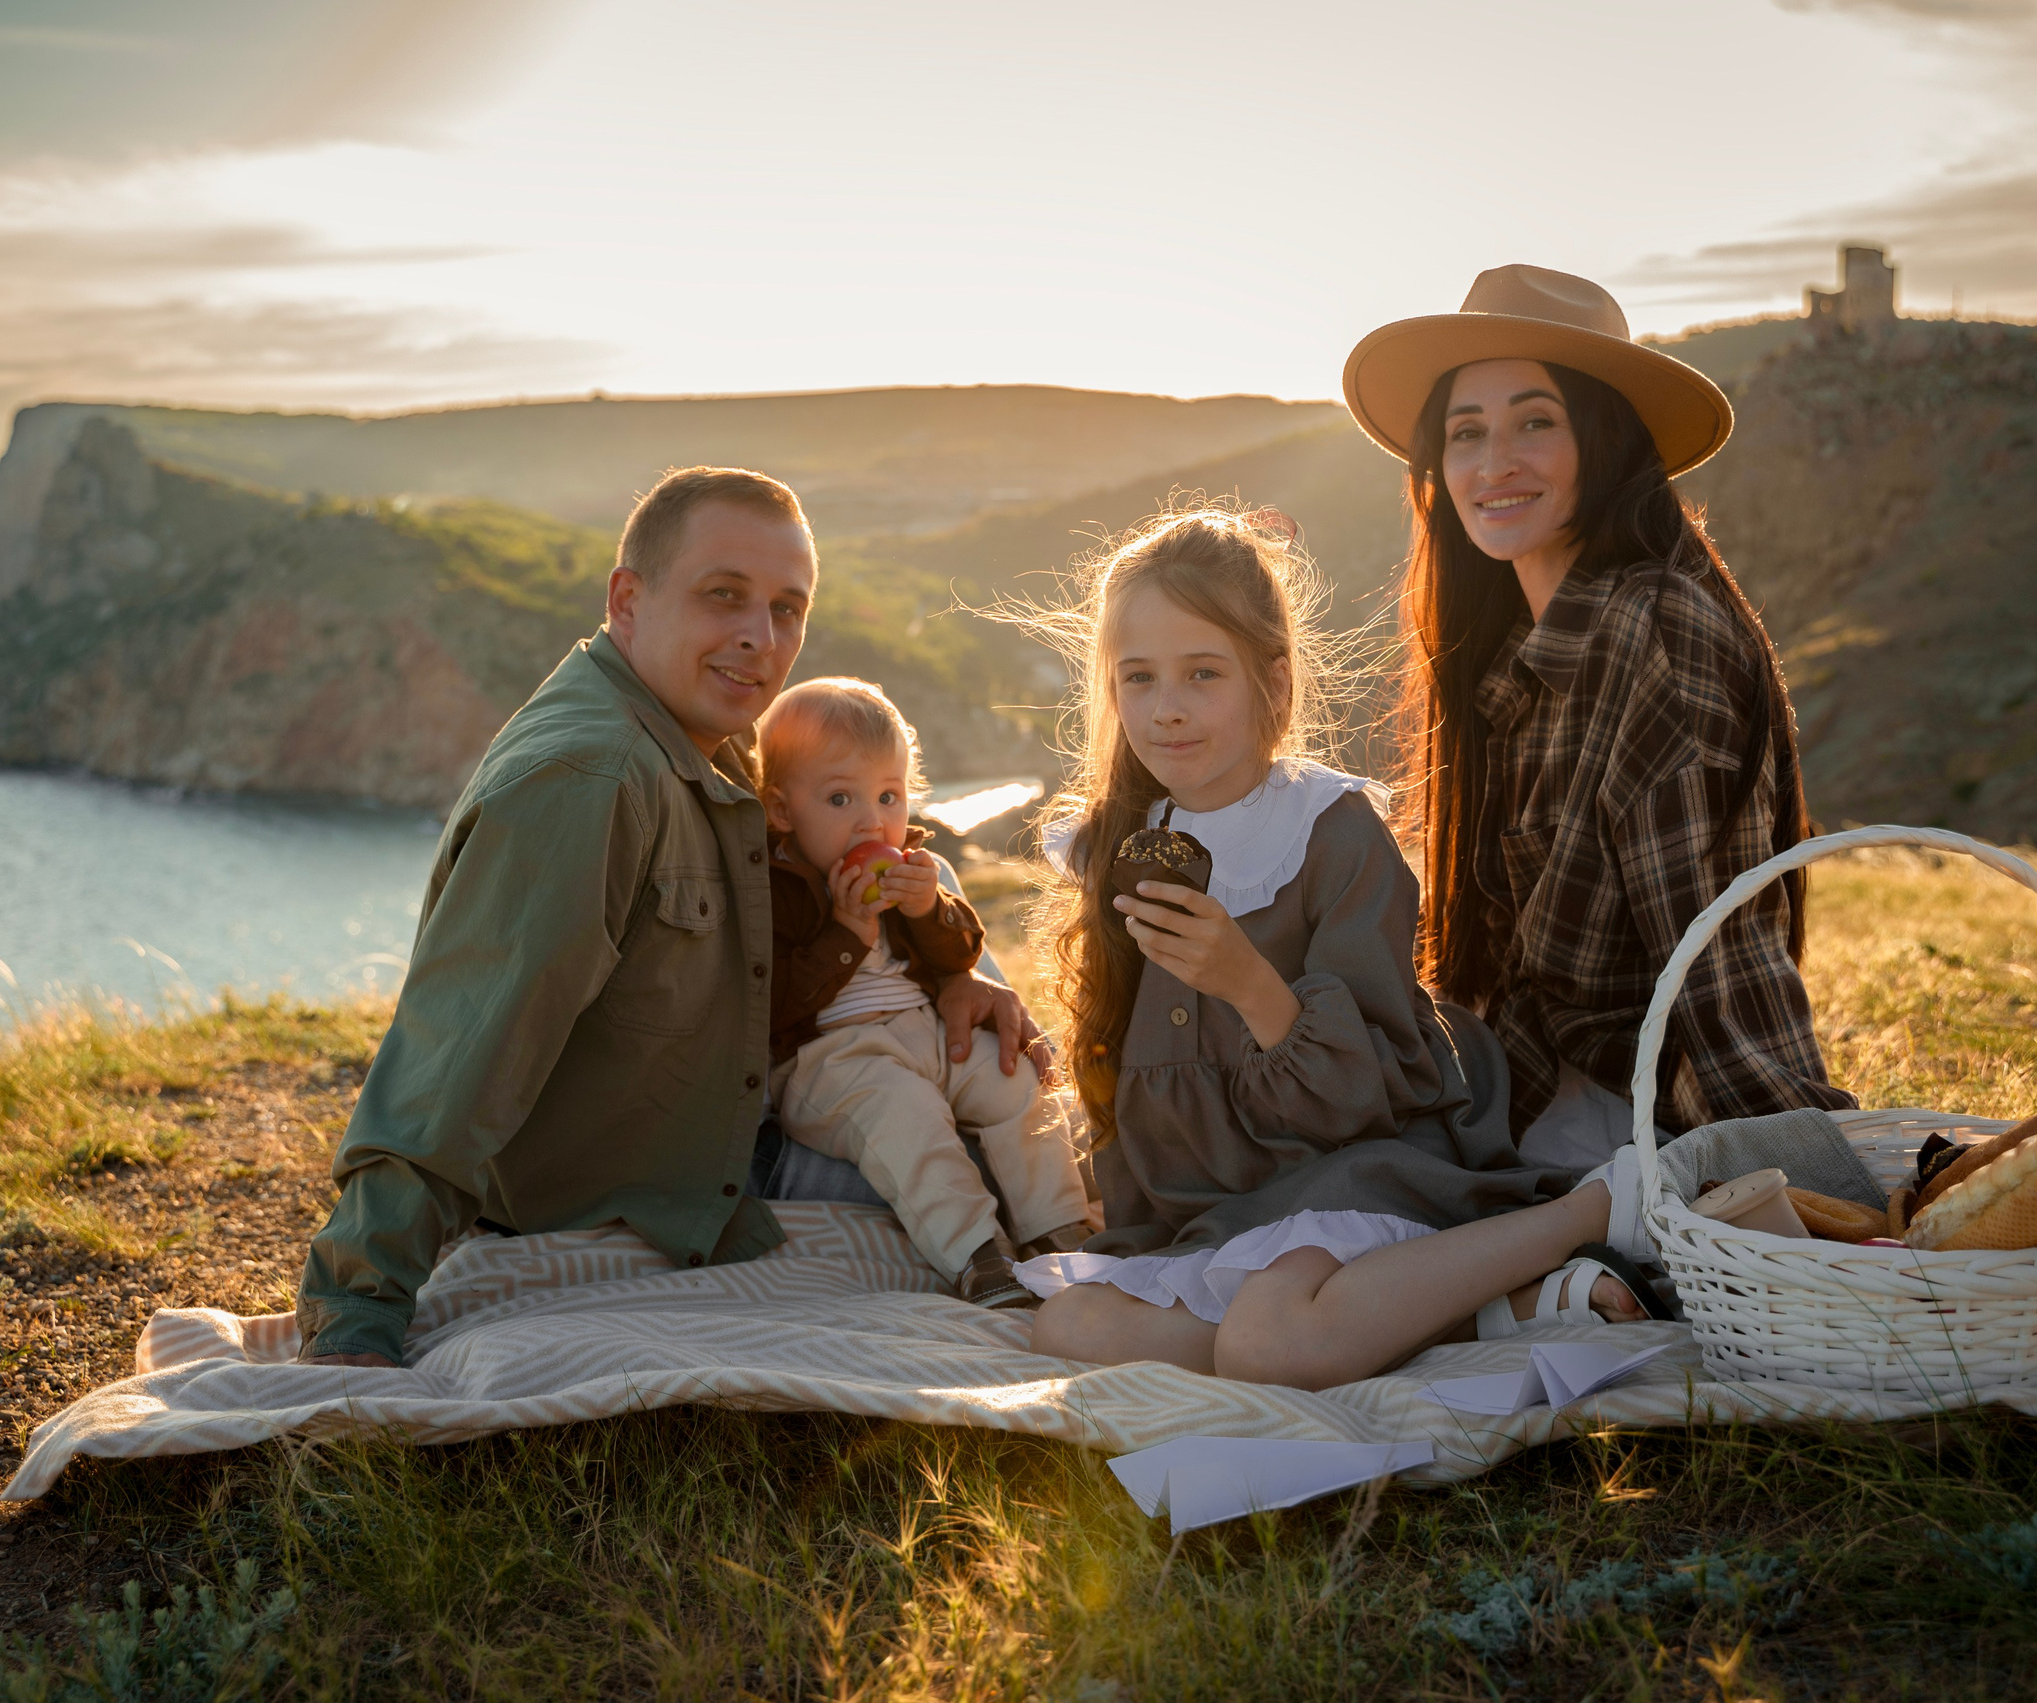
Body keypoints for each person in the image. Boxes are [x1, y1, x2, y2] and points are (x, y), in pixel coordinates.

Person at [294, 467, 1043, 1368]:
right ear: (628, 599)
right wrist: (357, 1313)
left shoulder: (702, 730)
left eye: (787, 609)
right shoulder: (591, 782)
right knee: (1008, 1155)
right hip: (688, 1178)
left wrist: (959, 974)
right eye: (723, 596)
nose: (760, 638)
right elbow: (457, 1059)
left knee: (1025, 1092)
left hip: (753, 1098)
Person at [1018, 508, 1659, 1390]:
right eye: (1138, 678)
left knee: (1266, 1345)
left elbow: (1388, 1078)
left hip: (1355, 1170)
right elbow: (1130, 1064)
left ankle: (1587, 1213)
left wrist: (1249, 983)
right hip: (1220, 1209)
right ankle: (1459, 1311)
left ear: (1272, 683)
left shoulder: (1330, 832)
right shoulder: (1119, 847)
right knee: (1069, 1325)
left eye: (1203, 673)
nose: (1166, 708)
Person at [1346, 264, 1855, 1173]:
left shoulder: (1652, 630)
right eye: (1467, 432)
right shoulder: (1515, 655)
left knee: (1299, 1282)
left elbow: (1711, 958)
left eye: (1537, 421)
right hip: (1526, 1100)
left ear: (1606, 436)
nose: (1494, 461)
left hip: (1631, 1133)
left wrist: (1813, 1203)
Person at [759, 677, 1092, 1309]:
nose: (872, 820)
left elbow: (961, 956)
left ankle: (1058, 1231)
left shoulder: (911, 869)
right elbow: (777, 1003)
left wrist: (929, 907)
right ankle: (977, 1255)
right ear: (782, 811)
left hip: (927, 1033)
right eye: (839, 798)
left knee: (1014, 1083)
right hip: (835, 1061)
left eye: (889, 795)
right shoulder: (780, 889)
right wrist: (847, 930)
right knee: (907, 1123)